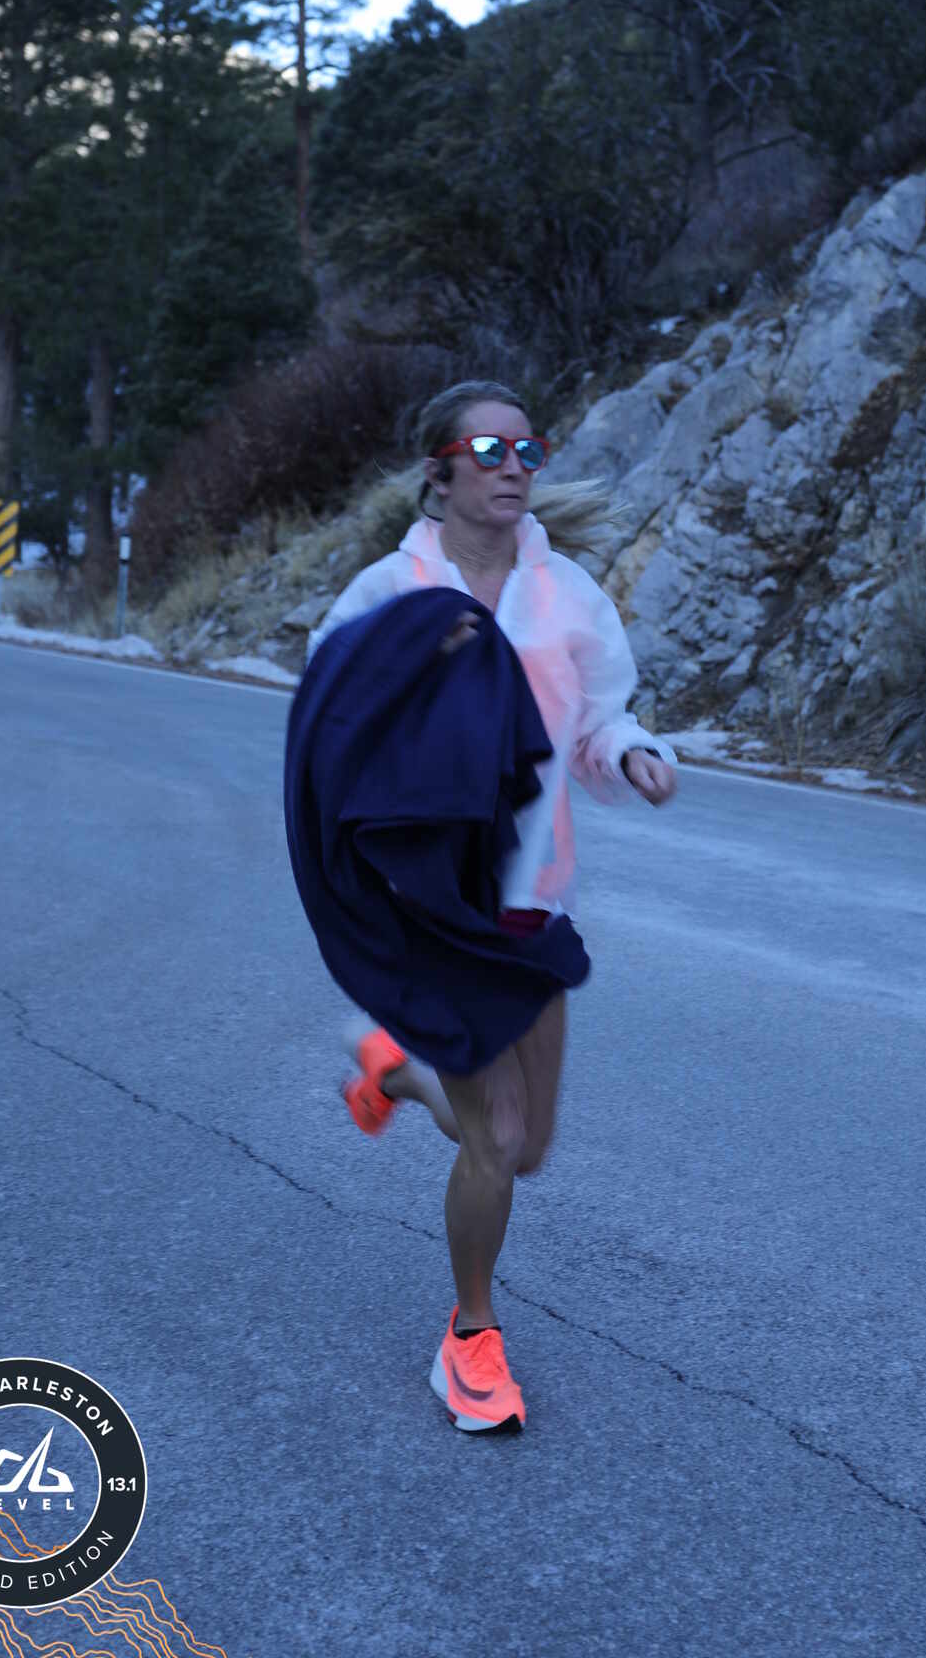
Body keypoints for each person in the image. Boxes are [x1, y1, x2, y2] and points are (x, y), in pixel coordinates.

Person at [303, 378, 678, 1432]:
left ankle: (395, 1068)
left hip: (532, 902)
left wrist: (633, 753)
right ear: (440, 471)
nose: (514, 466)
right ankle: (471, 1340)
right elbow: (331, 708)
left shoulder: (568, 595)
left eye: (528, 450)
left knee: (530, 1146)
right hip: (431, 905)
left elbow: (598, 719)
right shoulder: (389, 589)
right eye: (488, 449)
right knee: (498, 1137)